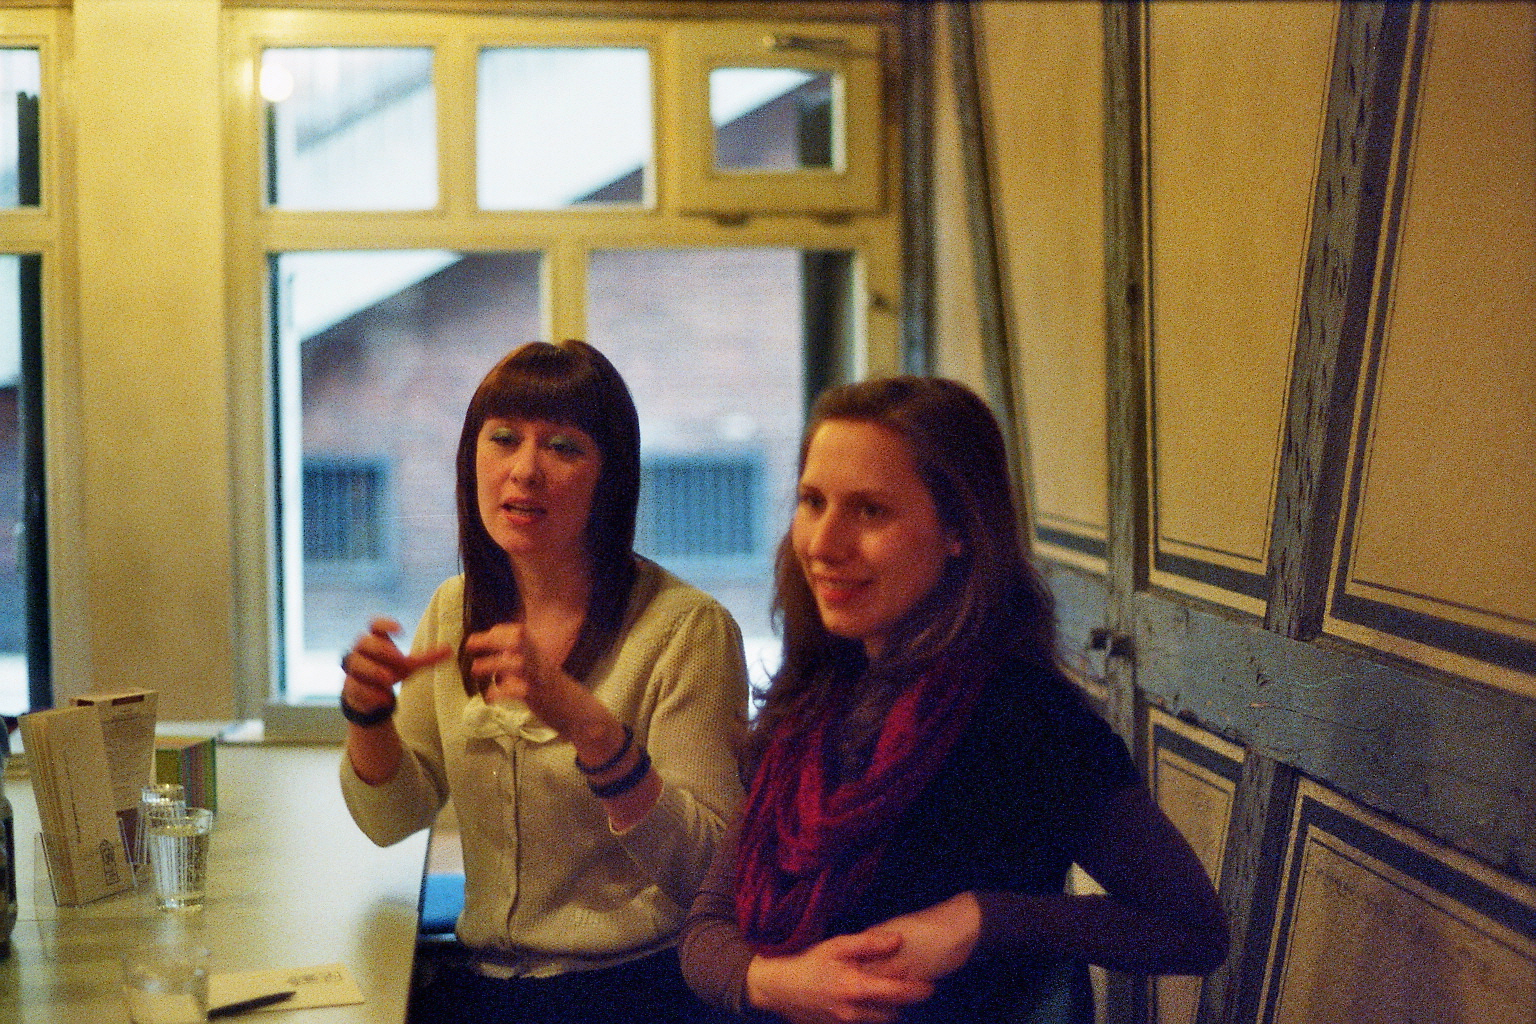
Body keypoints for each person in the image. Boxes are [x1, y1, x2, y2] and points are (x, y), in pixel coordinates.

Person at [680, 376, 1228, 1023]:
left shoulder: (1028, 719)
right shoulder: (816, 694)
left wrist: (981, 919)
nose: (823, 544)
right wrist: (779, 983)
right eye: (813, 501)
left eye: (870, 511)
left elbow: (1194, 931)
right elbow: (707, 930)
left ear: (958, 530)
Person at [339, 340, 749, 1024]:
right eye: (503, 438)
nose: (525, 470)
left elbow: (710, 873)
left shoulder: (687, 629)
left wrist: (589, 727)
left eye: (562, 447)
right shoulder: (453, 608)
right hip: (484, 984)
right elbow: (391, 820)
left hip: (632, 990)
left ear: (610, 477)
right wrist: (367, 715)